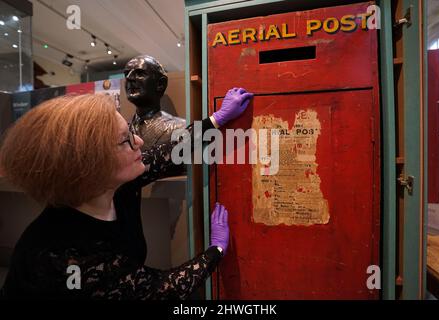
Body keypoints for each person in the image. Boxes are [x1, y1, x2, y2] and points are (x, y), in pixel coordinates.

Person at [0, 88, 253, 299]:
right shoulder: (68, 257)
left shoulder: (111, 183)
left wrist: (217, 119)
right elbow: (158, 291)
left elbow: (170, 151)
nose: (139, 142)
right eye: (125, 140)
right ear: (90, 166)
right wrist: (216, 251)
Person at [124, 55, 186, 150]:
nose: (129, 78)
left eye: (140, 73)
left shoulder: (180, 127)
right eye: (126, 74)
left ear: (160, 84)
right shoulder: (122, 128)